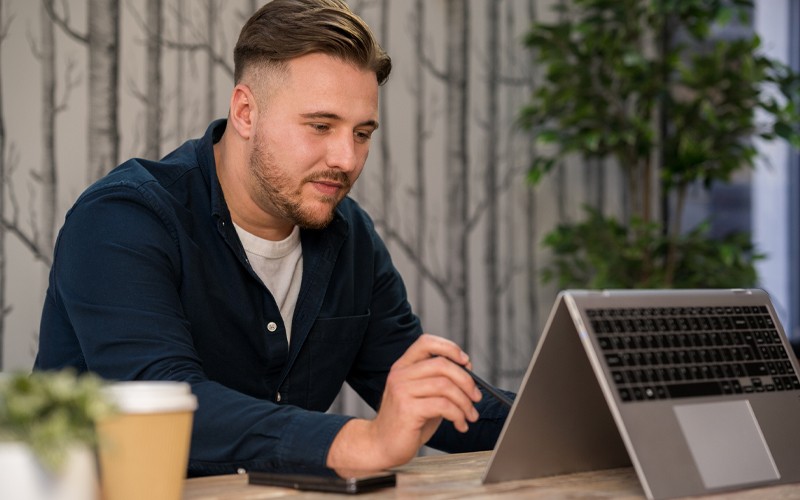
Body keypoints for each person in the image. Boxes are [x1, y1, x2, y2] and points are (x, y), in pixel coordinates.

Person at [34, 0, 511, 476]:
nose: (346, 158)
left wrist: (571, 419)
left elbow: (440, 407)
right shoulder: (122, 219)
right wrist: (359, 441)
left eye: (362, 133)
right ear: (245, 111)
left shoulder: (351, 237)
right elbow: (164, 403)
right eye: (321, 126)